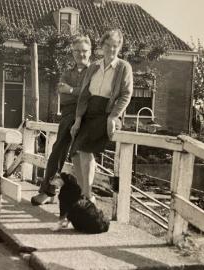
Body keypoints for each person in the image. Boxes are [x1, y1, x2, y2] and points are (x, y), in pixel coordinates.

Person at [70, 29, 133, 203]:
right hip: (88, 113)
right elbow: (84, 95)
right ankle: (85, 193)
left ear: (119, 48)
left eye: (115, 46)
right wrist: (78, 119)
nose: (111, 50)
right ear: (102, 46)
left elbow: (126, 94)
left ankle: (87, 194)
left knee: (85, 150)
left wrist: (113, 117)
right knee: (75, 152)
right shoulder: (93, 67)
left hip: (106, 114)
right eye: (108, 45)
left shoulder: (123, 67)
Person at [31, 36, 92, 206]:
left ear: (90, 52)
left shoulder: (94, 72)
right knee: (56, 152)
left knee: (79, 155)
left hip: (86, 118)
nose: (81, 54)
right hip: (67, 117)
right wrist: (78, 94)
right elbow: (63, 97)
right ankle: (48, 192)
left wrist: (72, 90)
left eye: (84, 51)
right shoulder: (67, 72)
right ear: (72, 53)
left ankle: (83, 198)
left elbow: (92, 94)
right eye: (77, 51)